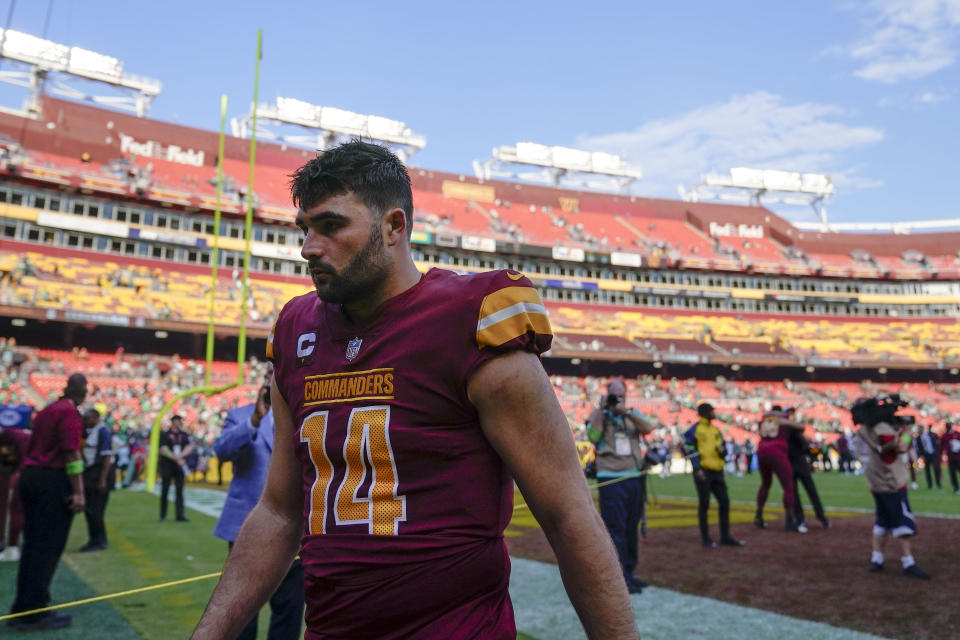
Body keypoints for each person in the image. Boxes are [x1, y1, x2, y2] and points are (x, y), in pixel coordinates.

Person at [193, 141, 639, 639]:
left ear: (394, 226)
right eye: (306, 229)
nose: (309, 247)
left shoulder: (471, 316)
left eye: (333, 225)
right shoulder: (296, 330)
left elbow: (567, 514)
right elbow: (278, 512)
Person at [213, 368, 303, 640]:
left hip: (296, 532)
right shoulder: (240, 416)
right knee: (241, 611)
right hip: (246, 528)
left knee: (289, 611)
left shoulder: (305, 415)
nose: (272, 379)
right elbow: (222, 450)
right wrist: (254, 420)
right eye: (268, 375)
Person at [7, 374, 87, 631]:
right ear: (83, 392)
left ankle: (24, 607)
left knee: (32, 546)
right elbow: (71, 452)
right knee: (47, 548)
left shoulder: (48, 409)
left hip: (30, 476)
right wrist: (79, 492)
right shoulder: (69, 412)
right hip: (51, 480)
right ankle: (33, 612)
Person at [587, 379, 657, 594]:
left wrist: (626, 411)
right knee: (615, 528)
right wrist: (602, 410)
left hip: (634, 476)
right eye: (614, 395)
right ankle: (619, 578)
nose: (618, 398)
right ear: (607, 395)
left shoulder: (631, 414)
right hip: (611, 477)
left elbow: (648, 428)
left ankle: (629, 572)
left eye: (621, 394)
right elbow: (593, 436)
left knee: (631, 527)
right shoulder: (599, 415)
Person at [852, 395, 929, 579]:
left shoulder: (864, 429)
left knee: (882, 521)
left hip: (876, 481)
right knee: (902, 523)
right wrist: (908, 432)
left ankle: (876, 558)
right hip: (890, 482)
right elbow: (901, 447)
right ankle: (908, 562)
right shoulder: (882, 429)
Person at [683, 403, 744, 548]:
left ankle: (725, 536)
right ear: (706, 412)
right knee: (704, 504)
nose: (714, 413)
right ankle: (706, 538)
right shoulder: (694, 430)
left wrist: (722, 451)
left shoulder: (715, 429)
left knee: (725, 502)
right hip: (703, 471)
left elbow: (723, 448)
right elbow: (689, 449)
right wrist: (697, 468)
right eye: (712, 411)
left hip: (717, 471)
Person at [754, 407, 804, 531]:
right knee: (789, 487)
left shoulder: (763, 420)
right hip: (777, 451)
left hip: (761, 450)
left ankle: (759, 514)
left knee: (765, 484)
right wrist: (786, 419)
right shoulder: (784, 419)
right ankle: (789, 520)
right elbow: (801, 427)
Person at [786, 410, 829, 531]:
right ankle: (821, 517)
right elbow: (807, 448)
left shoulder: (784, 434)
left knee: (796, 495)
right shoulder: (797, 433)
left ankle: (801, 520)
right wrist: (813, 452)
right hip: (800, 466)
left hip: (791, 466)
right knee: (811, 492)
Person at [80, 407, 114, 551]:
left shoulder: (103, 431)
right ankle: (95, 539)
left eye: (88, 418)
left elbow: (106, 457)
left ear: (96, 418)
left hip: (98, 473)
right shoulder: (88, 432)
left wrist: (102, 480)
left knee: (96, 510)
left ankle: (99, 541)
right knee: (90, 509)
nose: (85, 421)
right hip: (90, 472)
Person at [159, 415, 194, 522]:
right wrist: (176, 458)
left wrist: (181, 456)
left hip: (179, 466)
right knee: (165, 490)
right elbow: (163, 449)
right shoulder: (165, 434)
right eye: (176, 421)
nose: (177, 423)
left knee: (179, 490)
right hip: (168, 465)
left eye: (179, 421)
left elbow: (190, 447)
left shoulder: (183, 435)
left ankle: (180, 515)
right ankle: (163, 515)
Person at [914, 424, 941, 489]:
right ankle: (930, 485)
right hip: (926, 455)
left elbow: (935, 444)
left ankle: (938, 484)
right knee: (927, 470)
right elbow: (918, 448)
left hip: (933, 454)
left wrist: (936, 452)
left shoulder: (930, 435)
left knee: (936, 468)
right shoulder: (918, 438)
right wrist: (921, 455)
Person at [941, 421, 960, 494]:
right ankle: (956, 488)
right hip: (951, 458)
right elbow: (941, 446)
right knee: (953, 474)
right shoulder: (945, 435)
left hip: (958, 457)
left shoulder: (956, 434)